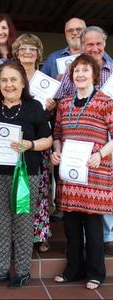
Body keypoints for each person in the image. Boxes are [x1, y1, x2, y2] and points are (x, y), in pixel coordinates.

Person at [0, 61, 52, 288]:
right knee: (0, 223)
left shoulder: (34, 107)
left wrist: (29, 145)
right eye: (4, 80)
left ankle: (22, 271)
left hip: (25, 174)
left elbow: (48, 140)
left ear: (23, 83)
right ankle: (0, 270)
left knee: (23, 222)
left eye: (13, 79)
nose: (8, 84)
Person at [51, 54, 113, 290]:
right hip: (70, 174)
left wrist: (100, 155)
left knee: (93, 227)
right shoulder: (64, 104)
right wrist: (55, 152)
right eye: (76, 71)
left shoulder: (105, 102)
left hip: (94, 173)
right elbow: (57, 134)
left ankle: (96, 273)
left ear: (94, 75)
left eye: (85, 70)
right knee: (71, 226)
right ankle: (73, 270)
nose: (80, 74)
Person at [12, 33, 51, 253]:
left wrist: (51, 105)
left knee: (39, 189)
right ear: (16, 52)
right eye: (23, 48)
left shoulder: (47, 80)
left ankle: (40, 234)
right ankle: (16, 235)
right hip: (12, 140)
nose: (28, 52)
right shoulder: (9, 75)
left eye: (32, 49)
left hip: (38, 139)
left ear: (38, 53)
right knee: (15, 188)